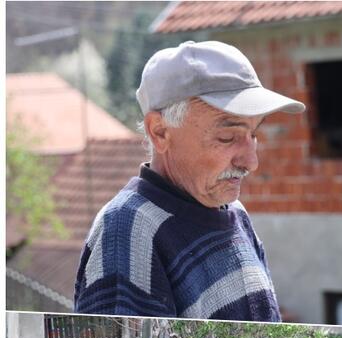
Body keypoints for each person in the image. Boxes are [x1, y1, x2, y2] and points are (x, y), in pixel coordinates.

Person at [74, 41, 304, 320]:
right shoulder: (128, 229)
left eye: (253, 134)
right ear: (159, 132)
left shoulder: (234, 212)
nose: (251, 162)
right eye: (227, 137)